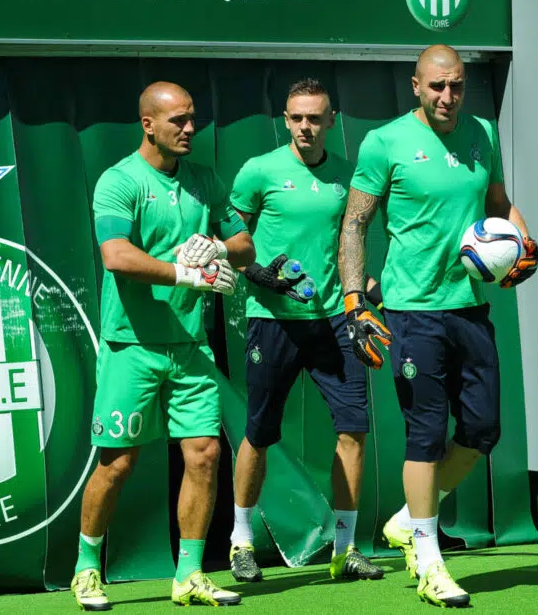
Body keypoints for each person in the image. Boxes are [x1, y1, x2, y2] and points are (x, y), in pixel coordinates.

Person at [337, 45, 538, 608]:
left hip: (470, 307)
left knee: (483, 430)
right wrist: (355, 300)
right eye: (437, 87)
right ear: (415, 86)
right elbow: (355, 224)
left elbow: (498, 203)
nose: (448, 97)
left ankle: (406, 521)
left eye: (456, 86)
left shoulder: (481, 132)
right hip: (411, 311)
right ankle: (429, 561)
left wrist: (524, 243)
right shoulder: (385, 142)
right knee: (424, 434)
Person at [71, 81, 256, 610]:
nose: (190, 128)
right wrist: (185, 274)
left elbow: (245, 247)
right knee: (118, 463)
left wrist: (219, 246)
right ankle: (86, 568)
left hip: (191, 346)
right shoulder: (119, 181)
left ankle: (189, 574)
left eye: (193, 118)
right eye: (177, 120)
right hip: (132, 345)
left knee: (205, 455)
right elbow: (116, 256)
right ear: (148, 124)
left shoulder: (205, 180)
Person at [225, 78, 385, 583]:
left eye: (315, 118)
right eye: (296, 118)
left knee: (353, 431)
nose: (305, 127)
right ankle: (241, 540)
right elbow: (227, 238)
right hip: (271, 321)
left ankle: (344, 548)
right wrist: (259, 276)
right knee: (259, 433)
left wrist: (364, 293)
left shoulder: (347, 177)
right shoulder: (259, 172)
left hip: (335, 322)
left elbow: (350, 243)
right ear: (285, 119)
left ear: (331, 120)